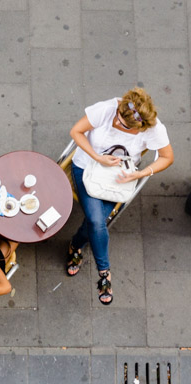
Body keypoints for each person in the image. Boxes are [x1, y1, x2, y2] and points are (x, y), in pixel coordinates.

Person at [66, 88, 174, 304]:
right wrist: (98, 157)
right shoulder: (106, 109)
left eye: (124, 126)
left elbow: (167, 157)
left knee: (94, 221)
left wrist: (141, 173)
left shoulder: (154, 128)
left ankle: (76, 244)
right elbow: (76, 131)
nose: (117, 124)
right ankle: (104, 273)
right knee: (97, 220)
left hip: (120, 175)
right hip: (88, 167)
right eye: (117, 118)